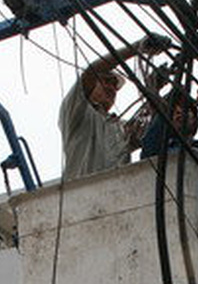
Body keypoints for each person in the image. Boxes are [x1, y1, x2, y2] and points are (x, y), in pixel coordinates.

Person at [58, 32, 171, 181]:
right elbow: (91, 72)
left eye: (114, 85)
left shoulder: (121, 127)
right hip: (80, 195)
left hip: (117, 198)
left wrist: (153, 89)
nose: (111, 87)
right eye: (105, 81)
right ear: (92, 85)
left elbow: (157, 126)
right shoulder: (76, 112)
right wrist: (137, 47)